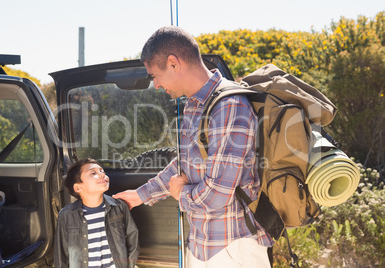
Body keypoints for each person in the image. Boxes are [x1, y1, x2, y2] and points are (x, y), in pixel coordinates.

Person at [113, 26, 273, 267]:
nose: (155, 85)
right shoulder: (194, 105)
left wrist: (181, 194)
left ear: (174, 63)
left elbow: (217, 196)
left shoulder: (228, 106)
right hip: (201, 243)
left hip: (232, 248)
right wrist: (140, 195)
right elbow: (185, 163)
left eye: (154, 75)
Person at [54, 158, 139, 268]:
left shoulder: (119, 206)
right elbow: (61, 254)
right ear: (78, 187)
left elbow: (133, 240)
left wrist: (130, 266)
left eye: (102, 171)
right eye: (93, 173)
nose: (102, 174)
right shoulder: (66, 215)